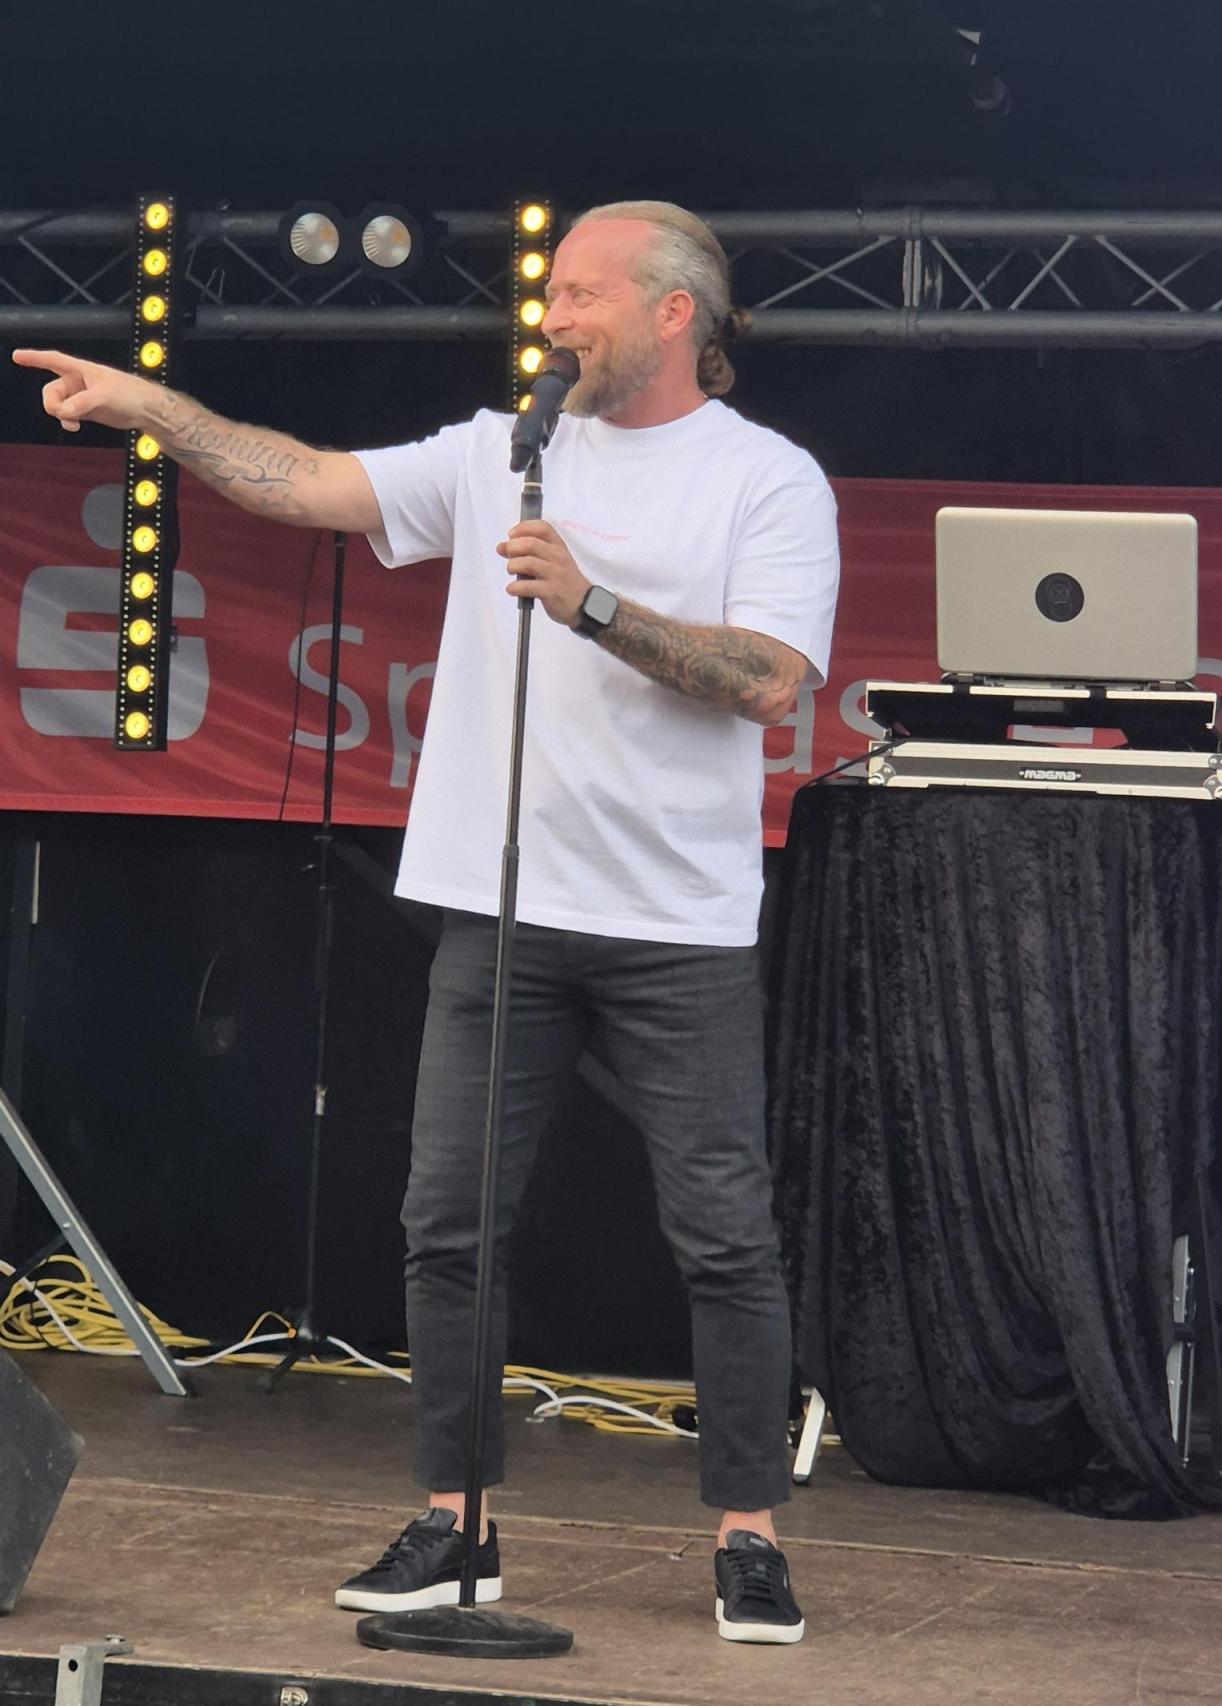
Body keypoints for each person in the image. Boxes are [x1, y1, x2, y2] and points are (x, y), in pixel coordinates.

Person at [12, 198, 840, 1644]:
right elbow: (303, 481)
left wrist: (590, 605)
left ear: (674, 314)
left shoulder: (765, 478)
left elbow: (771, 681)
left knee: (722, 1233)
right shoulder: (502, 453)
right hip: (501, 906)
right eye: (553, 293)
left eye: (582, 294)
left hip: (678, 923)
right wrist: (155, 410)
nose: (553, 317)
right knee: (448, 1227)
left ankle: (748, 1538)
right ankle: (459, 1525)